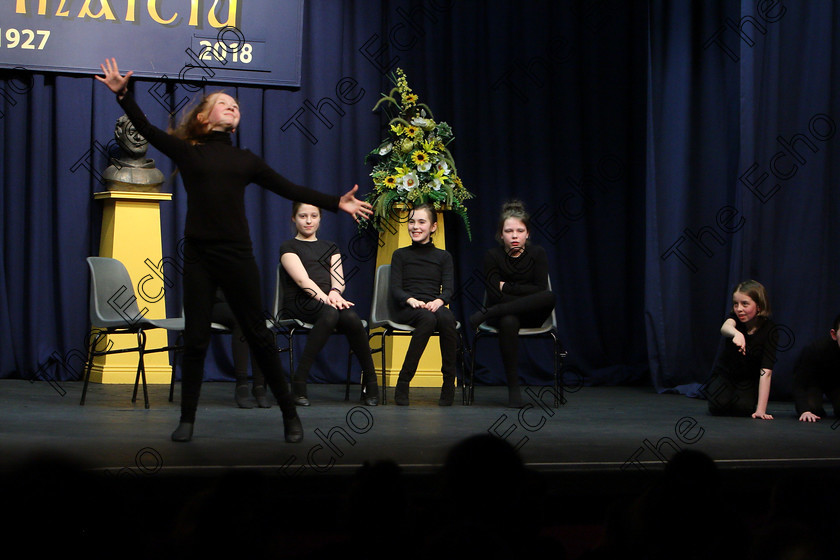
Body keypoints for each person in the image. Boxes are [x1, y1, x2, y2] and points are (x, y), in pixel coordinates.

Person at [95, 58, 372, 443]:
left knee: (258, 335)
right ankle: (187, 420)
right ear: (205, 118)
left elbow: (289, 189)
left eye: (236, 105)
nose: (233, 106)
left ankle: (290, 415)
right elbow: (148, 130)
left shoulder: (245, 161)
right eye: (224, 102)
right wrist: (124, 95)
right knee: (195, 339)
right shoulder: (189, 153)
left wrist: (334, 202)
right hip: (199, 258)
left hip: (237, 256)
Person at [279, 202, 379, 406]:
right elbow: (302, 281)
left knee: (351, 317)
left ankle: (371, 381)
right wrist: (329, 299)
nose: (308, 221)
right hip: (300, 302)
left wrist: (334, 293)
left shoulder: (330, 247)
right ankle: (299, 380)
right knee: (332, 313)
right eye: (303, 216)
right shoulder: (288, 247)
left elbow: (339, 281)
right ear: (294, 218)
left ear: (320, 218)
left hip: (328, 303)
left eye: (313, 216)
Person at [468, 200, 555, 408]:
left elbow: (540, 290)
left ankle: (488, 313)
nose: (514, 236)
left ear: (528, 234)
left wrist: (506, 287)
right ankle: (514, 390)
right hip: (505, 315)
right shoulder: (493, 256)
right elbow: (493, 293)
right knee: (508, 320)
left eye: (519, 230)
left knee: (550, 296)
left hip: (533, 314)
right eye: (509, 231)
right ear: (501, 234)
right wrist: (522, 295)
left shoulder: (538, 254)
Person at [389, 203, 458, 406]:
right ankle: (403, 381)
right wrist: (411, 300)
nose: (415, 227)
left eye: (421, 222)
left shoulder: (443, 257)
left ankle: (448, 384)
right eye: (411, 222)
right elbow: (395, 289)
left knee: (446, 317)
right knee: (427, 319)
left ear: (433, 227)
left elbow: (448, 290)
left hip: (432, 306)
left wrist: (438, 301)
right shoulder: (400, 255)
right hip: (407, 307)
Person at [704, 280, 777, 419]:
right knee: (718, 406)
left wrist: (761, 410)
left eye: (745, 304)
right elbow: (725, 328)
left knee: (743, 409)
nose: (739, 309)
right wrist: (737, 333)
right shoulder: (734, 319)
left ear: (759, 307)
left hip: (748, 379)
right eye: (736, 304)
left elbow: (766, 371)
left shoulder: (770, 330)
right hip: (726, 374)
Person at [210, 288, 270, 409]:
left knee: (256, 320)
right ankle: (242, 384)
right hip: (210, 303)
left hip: (239, 305)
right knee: (242, 317)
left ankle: (259, 385)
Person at [793, 313, 840, 422]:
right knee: (813, 409)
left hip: (837, 385)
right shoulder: (815, 350)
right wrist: (805, 411)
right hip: (814, 383)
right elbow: (799, 384)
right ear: (834, 334)